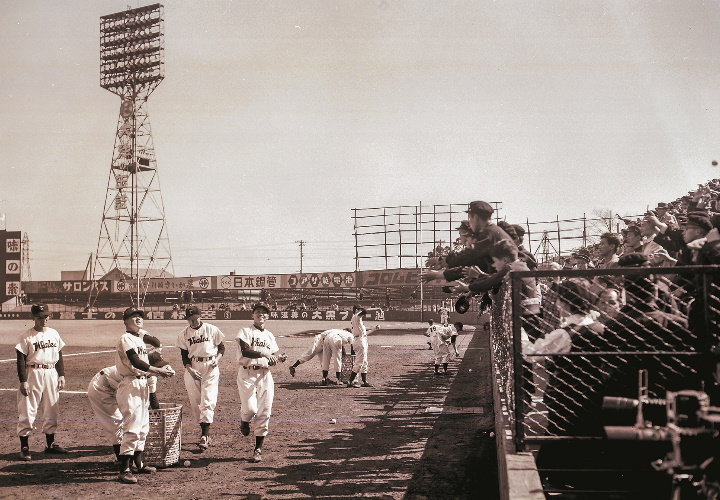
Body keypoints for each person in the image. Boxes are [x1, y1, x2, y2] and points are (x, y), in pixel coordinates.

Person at [115, 307, 175, 484]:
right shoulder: (125, 338)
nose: (138, 319)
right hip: (130, 384)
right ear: (125, 321)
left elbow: (152, 347)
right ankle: (124, 470)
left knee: (143, 427)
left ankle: (138, 465)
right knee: (132, 427)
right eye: (133, 317)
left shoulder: (139, 340)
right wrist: (158, 371)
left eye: (140, 317)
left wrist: (161, 371)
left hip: (141, 384)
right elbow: (135, 361)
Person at [87, 352, 169, 463]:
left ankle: (136, 463)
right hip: (101, 388)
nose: (159, 370)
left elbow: (152, 399)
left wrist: (158, 417)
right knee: (117, 423)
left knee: (135, 422)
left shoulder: (151, 377)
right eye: (157, 367)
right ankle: (122, 461)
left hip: (116, 388)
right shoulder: (131, 372)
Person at [16, 304, 68, 461]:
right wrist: (23, 381)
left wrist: (61, 375)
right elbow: (20, 360)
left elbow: (59, 355)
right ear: (33, 317)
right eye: (40, 317)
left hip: (51, 372)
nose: (44, 319)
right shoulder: (27, 336)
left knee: (52, 408)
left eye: (46, 316)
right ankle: (24, 447)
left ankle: (50, 445)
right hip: (33, 373)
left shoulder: (53, 333)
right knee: (27, 409)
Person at [236, 302, 284, 463]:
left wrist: (278, 359)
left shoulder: (270, 336)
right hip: (247, 373)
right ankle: (244, 420)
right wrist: (264, 354)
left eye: (264, 312)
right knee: (250, 409)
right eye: (257, 312)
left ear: (268, 316)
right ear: (253, 315)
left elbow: (272, 358)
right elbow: (245, 350)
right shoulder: (246, 331)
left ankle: (258, 448)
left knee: (265, 410)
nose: (260, 314)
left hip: (264, 374)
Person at [177, 304, 226, 451]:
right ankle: (204, 431)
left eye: (195, 318)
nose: (193, 322)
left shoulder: (211, 329)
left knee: (208, 400)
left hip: (210, 367)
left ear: (200, 316)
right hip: (192, 368)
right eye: (190, 319)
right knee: (196, 403)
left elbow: (222, 347)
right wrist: (189, 370)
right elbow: (184, 356)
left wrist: (217, 359)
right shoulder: (184, 334)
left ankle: (204, 435)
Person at [347, 306, 373, 388]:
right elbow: (365, 311)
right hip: (359, 341)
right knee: (359, 362)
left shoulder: (357, 319)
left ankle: (364, 381)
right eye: (359, 309)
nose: (360, 311)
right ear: (356, 310)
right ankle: (350, 381)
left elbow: (364, 330)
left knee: (364, 362)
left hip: (361, 340)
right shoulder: (356, 316)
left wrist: (374, 328)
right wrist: (376, 309)